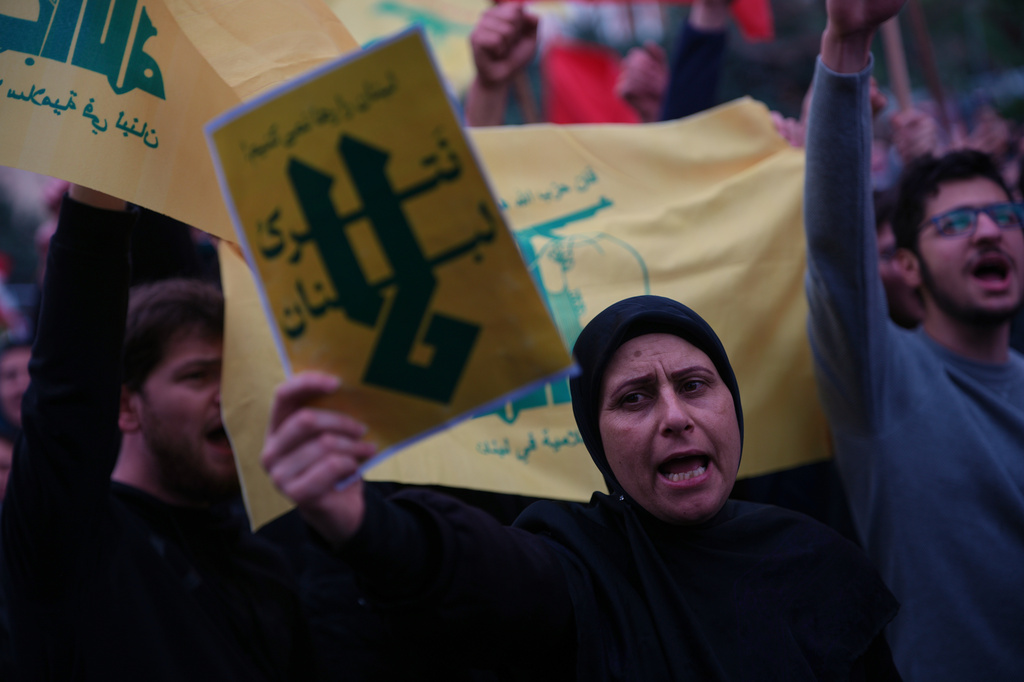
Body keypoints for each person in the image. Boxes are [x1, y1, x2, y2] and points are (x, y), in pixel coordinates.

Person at [262, 295, 899, 681]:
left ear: (733, 403)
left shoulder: (819, 560)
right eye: (635, 397)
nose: (675, 415)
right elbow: (482, 574)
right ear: (595, 439)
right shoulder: (577, 568)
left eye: (696, 384)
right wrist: (366, 523)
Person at [0, 185, 317, 680]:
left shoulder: (268, 567)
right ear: (126, 405)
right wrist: (100, 190)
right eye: (197, 376)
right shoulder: (74, 542)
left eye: (237, 378)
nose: (227, 397)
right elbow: (70, 385)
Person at [804, 0, 1024, 679]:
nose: (987, 232)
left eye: (1003, 215)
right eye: (955, 225)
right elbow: (837, 247)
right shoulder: (881, 387)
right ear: (905, 265)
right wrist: (848, 42)